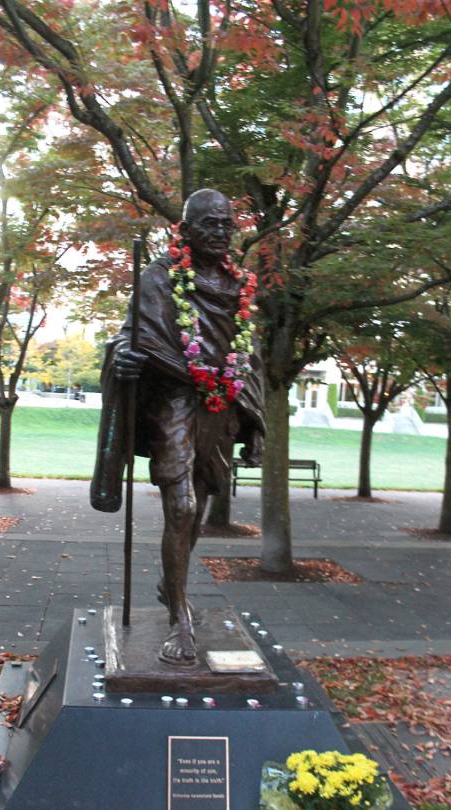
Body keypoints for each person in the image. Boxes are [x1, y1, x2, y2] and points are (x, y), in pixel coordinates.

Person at [91, 189, 265, 665]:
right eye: (209, 224)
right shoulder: (159, 278)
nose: (220, 233)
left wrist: (253, 421)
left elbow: (249, 355)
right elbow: (136, 335)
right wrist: (122, 357)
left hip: (220, 404)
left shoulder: (241, 287)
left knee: (200, 505)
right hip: (173, 397)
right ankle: (179, 621)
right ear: (184, 231)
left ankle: (173, 586)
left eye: (226, 224)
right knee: (182, 506)